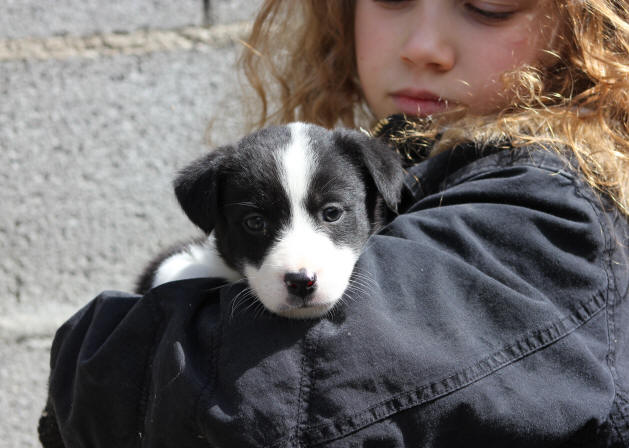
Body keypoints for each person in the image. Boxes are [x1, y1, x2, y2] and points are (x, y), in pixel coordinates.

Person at [39, 0, 629, 446]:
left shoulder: (553, 212)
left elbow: (220, 398)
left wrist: (101, 342)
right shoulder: (422, 175)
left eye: (490, 5)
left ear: (588, 29)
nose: (425, 45)